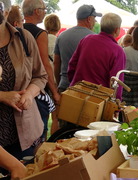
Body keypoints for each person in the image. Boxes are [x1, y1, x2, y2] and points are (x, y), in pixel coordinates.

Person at [0, 0, 47, 164]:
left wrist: (29, 94)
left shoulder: (24, 38)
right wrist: (2, 96)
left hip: (24, 131)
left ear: (6, 12)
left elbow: (40, 76)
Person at [22, 0, 59, 141]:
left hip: (20, 86)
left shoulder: (16, 30)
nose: (45, 12)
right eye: (44, 9)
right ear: (36, 11)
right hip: (36, 88)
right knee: (40, 128)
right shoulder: (40, 34)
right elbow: (45, 65)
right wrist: (54, 92)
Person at [68, 13, 126, 100]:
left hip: (76, 92)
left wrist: (75, 83)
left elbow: (72, 66)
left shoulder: (87, 39)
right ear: (117, 30)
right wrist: (116, 105)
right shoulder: (118, 51)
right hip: (98, 99)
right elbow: (116, 83)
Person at [54, 4, 102, 93]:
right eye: (94, 19)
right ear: (89, 19)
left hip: (64, 85)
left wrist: (58, 83)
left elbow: (56, 63)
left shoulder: (62, 35)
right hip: (85, 88)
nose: (95, 22)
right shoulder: (94, 38)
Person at [43, 13, 61, 135]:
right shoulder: (59, 40)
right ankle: (54, 140)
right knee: (55, 117)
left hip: (43, 81)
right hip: (55, 81)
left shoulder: (41, 39)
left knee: (43, 116)